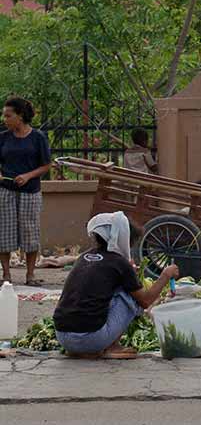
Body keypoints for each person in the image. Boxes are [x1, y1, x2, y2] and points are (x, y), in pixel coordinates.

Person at [53, 212, 178, 359]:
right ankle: (112, 347)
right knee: (130, 298)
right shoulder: (119, 262)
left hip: (63, 337)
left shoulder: (84, 257)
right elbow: (145, 301)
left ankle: (79, 349)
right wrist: (165, 275)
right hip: (90, 339)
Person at [0, 97, 51, 286]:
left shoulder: (38, 137)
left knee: (30, 232)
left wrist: (28, 176)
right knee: (4, 231)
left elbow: (46, 165)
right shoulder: (3, 137)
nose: (4, 119)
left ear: (20, 116)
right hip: (5, 190)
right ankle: (6, 275)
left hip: (30, 191)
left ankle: (30, 275)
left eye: (8, 115)